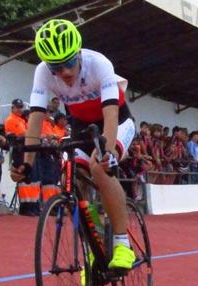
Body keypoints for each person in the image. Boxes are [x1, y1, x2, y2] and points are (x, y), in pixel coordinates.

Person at [10, 19, 136, 272]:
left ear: (78, 53)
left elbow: (111, 116)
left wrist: (108, 153)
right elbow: (35, 118)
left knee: (99, 168)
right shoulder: (43, 72)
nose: (65, 72)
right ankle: (96, 243)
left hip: (117, 121)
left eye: (69, 63)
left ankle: (123, 244)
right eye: (57, 67)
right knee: (72, 175)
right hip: (81, 126)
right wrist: (26, 164)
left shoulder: (99, 64)